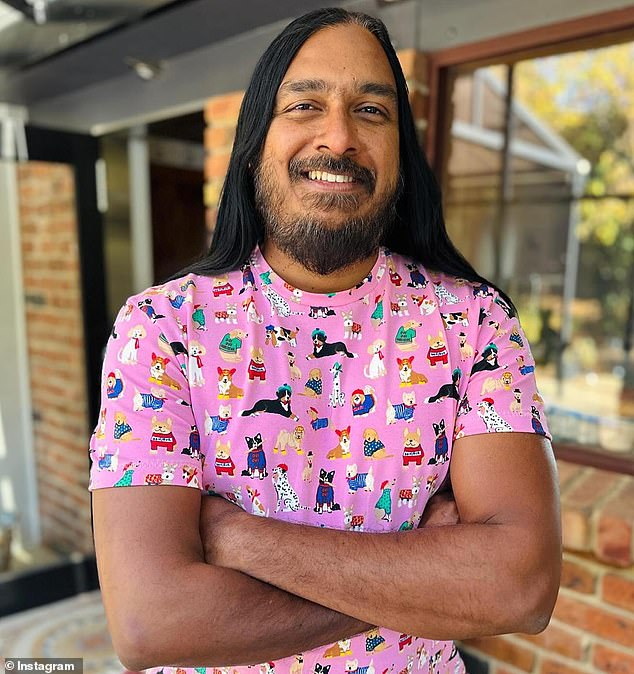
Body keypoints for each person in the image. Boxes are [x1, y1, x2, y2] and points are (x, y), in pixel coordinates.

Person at [89, 8, 561, 674]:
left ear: (402, 154)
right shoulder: (162, 329)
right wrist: (427, 579)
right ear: (254, 143)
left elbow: (520, 588)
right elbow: (151, 622)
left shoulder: (474, 322)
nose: (339, 137)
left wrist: (240, 538)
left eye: (371, 111)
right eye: (305, 105)